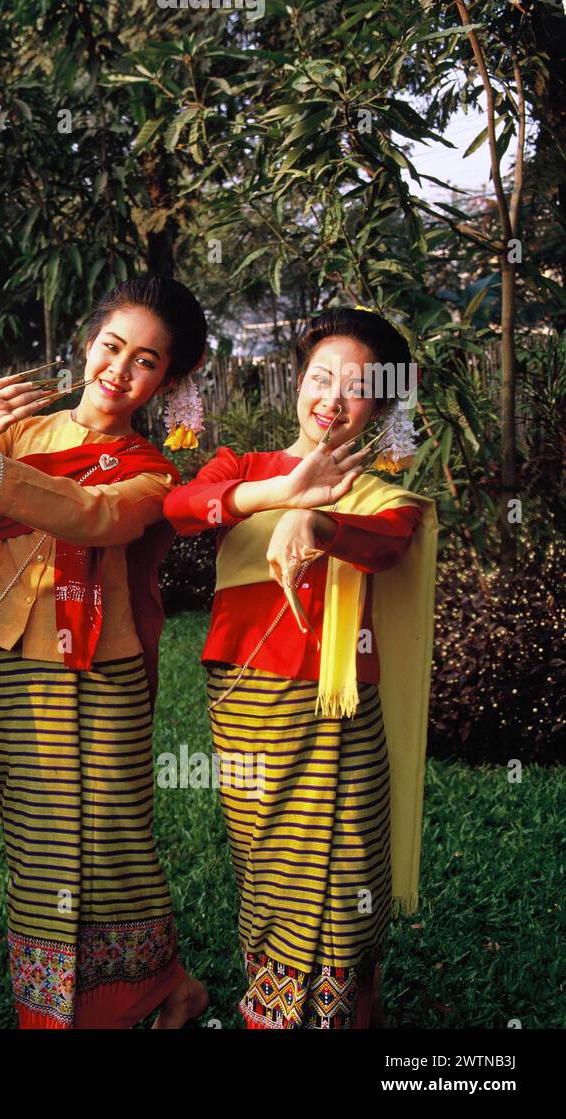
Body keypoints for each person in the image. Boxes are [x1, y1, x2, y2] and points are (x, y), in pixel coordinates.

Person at [0, 276, 211, 1029]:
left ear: (165, 381)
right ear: (87, 343)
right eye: (112, 346)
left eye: (145, 361)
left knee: (113, 823)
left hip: (104, 661)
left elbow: (95, 517)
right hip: (14, 652)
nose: (119, 369)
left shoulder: (151, 467)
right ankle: (50, 1007)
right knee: (37, 830)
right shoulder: (25, 431)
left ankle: (156, 981)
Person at [163, 306, 438, 1029]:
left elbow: (387, 546)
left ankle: (348, 1003)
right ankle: (282, 1005)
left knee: (347, 864)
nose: (331, 398)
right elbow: (182, 506)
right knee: (268, 866)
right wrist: (281, 494)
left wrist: (318, 522)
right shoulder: (244, 468)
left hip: (341, 709)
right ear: (299, 380)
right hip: (250, 705)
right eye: (321, 377)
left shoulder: (384, 498)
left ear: (381, 404)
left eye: (357, 387)